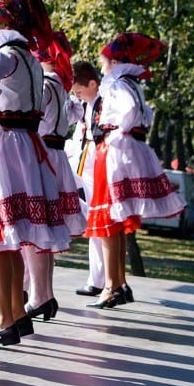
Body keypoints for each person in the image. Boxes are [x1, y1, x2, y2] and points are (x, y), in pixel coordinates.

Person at [0, 0, 72, 348]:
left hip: (2, 144)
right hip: (24, 144)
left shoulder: (3, 53)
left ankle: (3, 319)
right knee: (12, 235)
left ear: (2, 22)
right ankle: (16, 314)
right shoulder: (30, 58)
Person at [85, 32, 185, 308]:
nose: (102, 65)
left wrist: (118, 133)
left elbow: (129, 111)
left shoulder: (117, 82)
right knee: (115, 222)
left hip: (115, 152)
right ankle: (118, 283)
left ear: (114, 61)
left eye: (104, 60)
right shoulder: (131, 82)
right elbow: (146, 113)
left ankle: (110, 286)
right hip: (128, 150)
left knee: (107, 220)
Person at [22, 31, 86, 321]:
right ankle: (44, 295)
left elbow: (31, 118)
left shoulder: (45, 85)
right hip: (56, 156)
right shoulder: (60, 85)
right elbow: (72, 115)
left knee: (36, 229)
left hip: (43, 154)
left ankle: (38, 295)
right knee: (44, 230)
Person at [67, 60, 105, 296]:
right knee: (92, 220)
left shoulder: (103, 103)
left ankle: (101, 279)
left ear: (92, 84)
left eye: (79, 90)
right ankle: (98, 279)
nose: (77, 95)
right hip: (83, 162)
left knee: (99, 223)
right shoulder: (86, 104)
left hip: (96, 164)